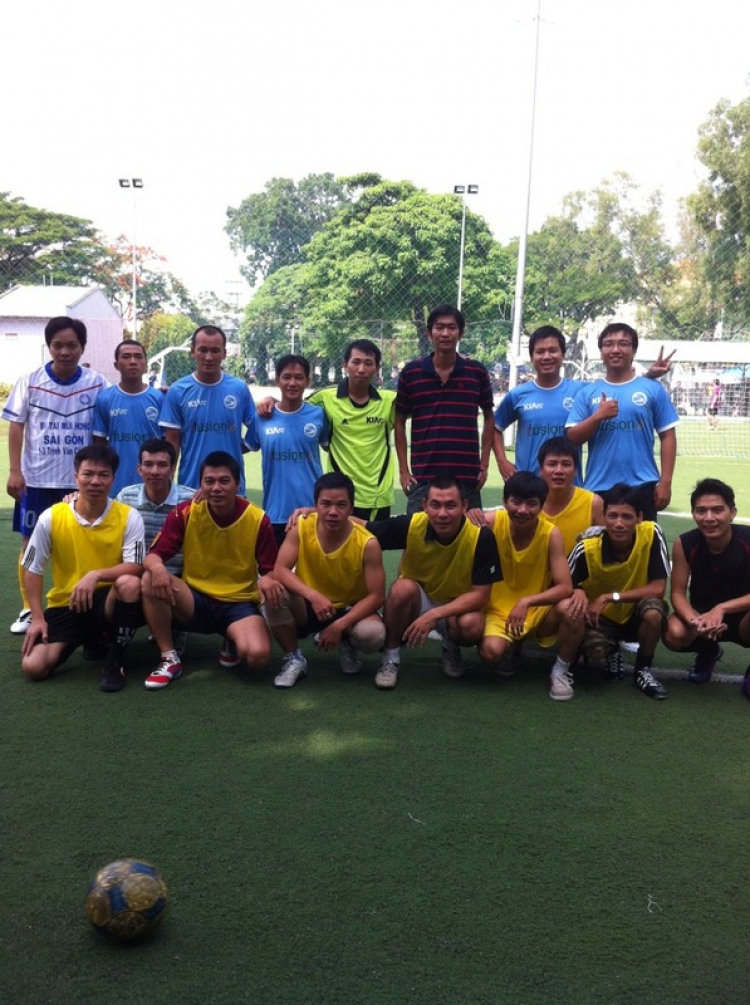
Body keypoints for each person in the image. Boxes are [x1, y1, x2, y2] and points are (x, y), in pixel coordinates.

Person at [140, 451, 291, 689]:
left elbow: (270, 569)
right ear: (200, 485)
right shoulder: (185, 511)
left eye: (224, 481)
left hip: (238, 603)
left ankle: (231, 637)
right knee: (150, 577)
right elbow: (153, 555)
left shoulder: (257, 518)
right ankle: (169, 657)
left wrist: (269, 580)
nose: (216, 488)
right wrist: (157, 567)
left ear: (238, 483)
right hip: (195, 599)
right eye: (209, 481)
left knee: (258, 657)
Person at [2, 317, 109, 635]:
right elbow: (16, 425)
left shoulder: (96, 382)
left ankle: (89, 606)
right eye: (58, 345)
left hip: (81, 481)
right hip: (37, 480)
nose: (65, 351)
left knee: (87, 543)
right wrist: (15, 471)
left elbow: (101, 433)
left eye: (72, 345)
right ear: (48, 347)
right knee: (31, 542)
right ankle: (28, 609)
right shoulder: (30, 380)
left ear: (82, 348)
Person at [19, 444, 145, 692]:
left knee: (130, 584)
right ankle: (93, 639)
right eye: (88, 474)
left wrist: (96, 575)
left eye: (103, 475)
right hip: (67, 603)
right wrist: (37, 618)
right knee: (33, 667)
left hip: (108, 601)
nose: (95, 481)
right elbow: (32, 569)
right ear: (76, 477)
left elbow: (136, 566)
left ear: (113, 479)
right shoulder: (52, 517)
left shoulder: (129, 516)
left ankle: (115, 658)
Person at [367, 475, 502, 690]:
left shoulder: (481, 536)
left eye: (451, 505)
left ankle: (451, 645)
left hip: (455, 606)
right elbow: (366, 527)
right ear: (424, 506)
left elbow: (481, 595)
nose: (442, 514)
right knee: (401, 589)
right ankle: (390, 658)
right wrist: (316, 512)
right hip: (420, 600)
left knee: (472, 625)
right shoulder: (413, 524)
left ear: (464, 506)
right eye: (435, 505)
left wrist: (434, 615)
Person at [493, 326, 673, 483]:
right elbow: (494, 427)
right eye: (540, 351)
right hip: (529, 483)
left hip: (570, 485)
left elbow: (619, 387)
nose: (547, 356)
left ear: (563, 355)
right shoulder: (518, 395)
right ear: (532, 357)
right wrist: (502, 461)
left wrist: (647, 377)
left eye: (553, 350)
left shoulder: (582, 391)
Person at [549, 483, 671, 700]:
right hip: (601, 619)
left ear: (639, 517)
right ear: (603, 517)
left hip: (635, 613)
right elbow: (563, 584)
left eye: (627, 516)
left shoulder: (652, 534)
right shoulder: (587, 548)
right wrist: (578, 591)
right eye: (612, 516)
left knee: (654, 611)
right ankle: (612, 650)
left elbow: (658, 588)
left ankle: (643, 670)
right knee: (594, 649)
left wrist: (609, 597)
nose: (619, 523)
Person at [256, 339, 396, 520]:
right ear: (345, 365)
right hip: (338, 496)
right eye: (356, 362)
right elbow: (295, 406)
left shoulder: (391, 401)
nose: (361, 369)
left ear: (377, 368)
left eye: (368, 363)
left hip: (378, 497)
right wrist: (272, 399)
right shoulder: (324, 399)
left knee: (373, 547)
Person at [270, 473, 386, 688]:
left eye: (341, 505)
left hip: (349, 608)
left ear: (351, 508)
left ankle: (347, 642)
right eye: (326, 504)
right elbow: (280, 570)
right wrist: (313, 595)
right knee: (273, 591)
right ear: (315, 505)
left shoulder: (367, 543)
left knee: (373, 635)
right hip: (310, 605)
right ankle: (294, 658)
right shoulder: (301, 527)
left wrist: (339, 625)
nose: (333, 512)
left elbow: (377, 596)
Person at [472, 472, 573, 698]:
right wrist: (470, 514)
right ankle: (508, 647)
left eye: (532, 504)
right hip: (497, 610)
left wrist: (527, 601)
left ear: (542, 505)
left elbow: (565, 587)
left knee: (571, 608)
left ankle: (560, 671)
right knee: (491, 653)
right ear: (505, 501)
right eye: (516, 502)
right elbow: (454, 525)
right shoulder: (491, 522)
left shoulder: (551, 534)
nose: (523, 510)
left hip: (535, 610)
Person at [565, 322, 679, 521]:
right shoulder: (587, 392)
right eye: (609, 344)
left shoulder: (652, 389)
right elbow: (572, 438)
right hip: (598, 486)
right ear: (601, 351)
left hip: (643, 485)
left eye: (623, 344)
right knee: (599, 548)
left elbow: (667, 435)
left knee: (643, 546)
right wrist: (597, 416)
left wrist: (666, 482)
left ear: (633, 350)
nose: (616, 349)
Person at [395, 305, 494, 514]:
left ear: (461, 333)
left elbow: (489, 417)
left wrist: (484, 465)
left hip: (467, 478)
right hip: (424, 478)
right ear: (429, 333)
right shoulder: (411, 373)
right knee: (415, 538)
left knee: (471, 540)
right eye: (440, 327)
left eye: (452, 328)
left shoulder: (476, 372)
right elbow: (399, 422)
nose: (446, 333)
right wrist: (404, 471)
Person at [663, 479, 750, 699]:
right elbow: (677, 593)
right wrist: (695, 620)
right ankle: (707, 651)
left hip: (743, 617)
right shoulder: (685, 543)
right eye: (701, 511)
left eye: (717, 510)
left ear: (732, 512)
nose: (709, 518)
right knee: (673, 634)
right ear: (693, 514)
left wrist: (722, 608)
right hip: (702, 615)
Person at [157, 325, 256, 493]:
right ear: (192, 352)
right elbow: (172, 441)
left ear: (224, 353)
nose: (209, 357)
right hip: (190, 487)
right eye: (202, 350)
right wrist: (168, 483)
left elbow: (257, 425)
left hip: (232, 489)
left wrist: (238, 449)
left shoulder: (239, 388)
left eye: (215, 351)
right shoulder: (178, 390)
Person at [245, 354, 328, 545]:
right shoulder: (263, 417)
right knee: (274, 572)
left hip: (311, 511)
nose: (292, 383)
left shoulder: (318, 414)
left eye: (299, 377)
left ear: (308, 381)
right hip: (276, 513)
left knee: (310, 573)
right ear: (277, 380)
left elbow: (330, 446)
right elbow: (243, 447)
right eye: (287, 377)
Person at [93, 340, 163, 495]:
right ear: (116, 365)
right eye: (126, 357)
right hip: (117, 482)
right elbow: (99, 443)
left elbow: (168, 442)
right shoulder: (105, 399)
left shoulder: (159, 399)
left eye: (138, 357)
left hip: (152, 481)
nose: (133, 362)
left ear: (145, 364)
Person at [537, 436, 605, 556]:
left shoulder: (593, 503)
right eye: (552, 464)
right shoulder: (527, 504)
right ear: (541, 470)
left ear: (576, 470)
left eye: (566, 464)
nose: (559, 470)